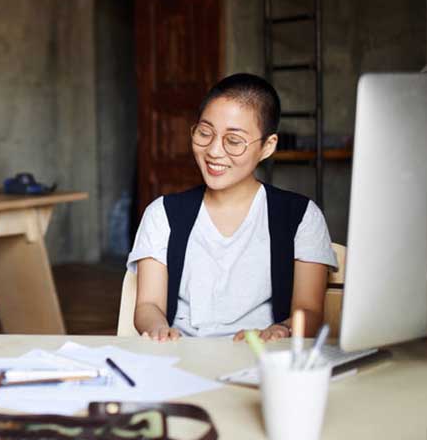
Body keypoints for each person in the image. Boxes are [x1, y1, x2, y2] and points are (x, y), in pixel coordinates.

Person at [128, 74, 337, 342]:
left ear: (267, 146)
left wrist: (282, 330)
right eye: (205, 133)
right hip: (182, 356)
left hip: (260, 356)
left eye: (234, 141)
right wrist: (158, 329)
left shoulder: (300, 217)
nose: (214, 151)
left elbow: (309, 310)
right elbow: (148, 305)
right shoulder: (163, 214)